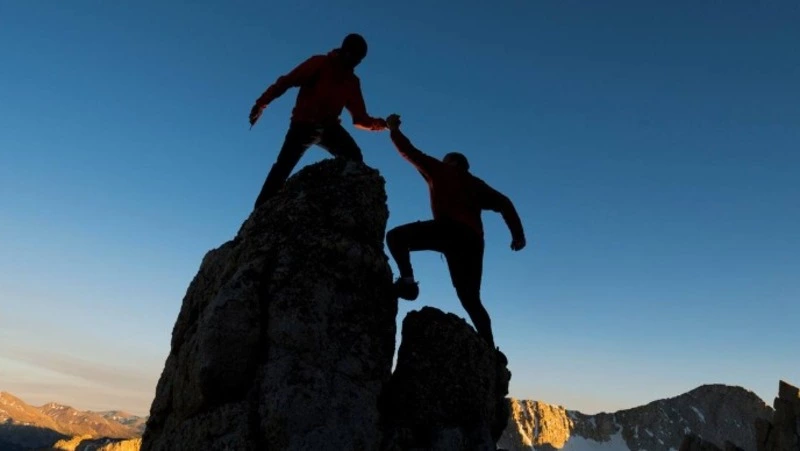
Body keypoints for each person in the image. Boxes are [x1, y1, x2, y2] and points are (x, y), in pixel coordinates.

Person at [384, 114, 526, 350]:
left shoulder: (441, 170)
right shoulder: (476, 183)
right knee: (471, 299)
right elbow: (505, 203)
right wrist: (518, 235)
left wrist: (393, 129)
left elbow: (409, 152)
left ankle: (408, 283)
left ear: (450, 162)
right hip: (473, 242)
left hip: (450, 231)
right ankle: (490, 349)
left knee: (395, 237)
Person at [248, 33, 387, 208]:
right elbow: (286, 82)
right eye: (354, 57)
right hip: (303, 125)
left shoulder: (352, 82)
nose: (356, 62)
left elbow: (359, 118)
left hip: (330, 128)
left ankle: (340, 204)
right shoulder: (319, 63)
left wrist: (383, 125)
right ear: (345, 51)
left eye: (360, 59)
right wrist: (261, 104)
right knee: (283, 167)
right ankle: (260, 212)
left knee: (354, 157)